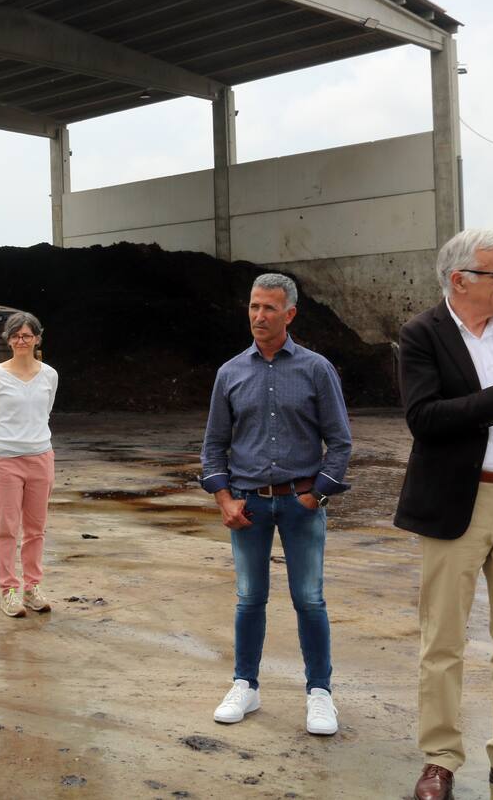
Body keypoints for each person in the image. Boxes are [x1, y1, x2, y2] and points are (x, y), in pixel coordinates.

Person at [395, 230, 493, 800]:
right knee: (443, 641)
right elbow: (424, 418)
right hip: (456, 504)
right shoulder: (421, 334)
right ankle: (440, 759)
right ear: (460, 280)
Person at [200, 273, 351, 737]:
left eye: (269, 308)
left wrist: (315, 495)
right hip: (247, 506)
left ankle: (319, 693)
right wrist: (224, 499)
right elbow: (213, 446)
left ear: (290, 314)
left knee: (310, 599)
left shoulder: (316, 369)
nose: (259, 316)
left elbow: (340, 442)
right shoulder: (230, 373)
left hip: (301, 504)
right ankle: (245, 685)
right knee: (249, 599)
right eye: (253, 306)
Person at [0, 312, 58, 619]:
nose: (21, 341)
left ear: (37, 338)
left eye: (26, 335)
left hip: (41, 457)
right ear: (7, 340)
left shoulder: (49, 375)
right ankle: (9, 590)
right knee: (6, 528)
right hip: (6, 459)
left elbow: (45, 413)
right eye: (15, 336)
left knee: (36, 529)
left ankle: (32, 587)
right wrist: (12, 436)